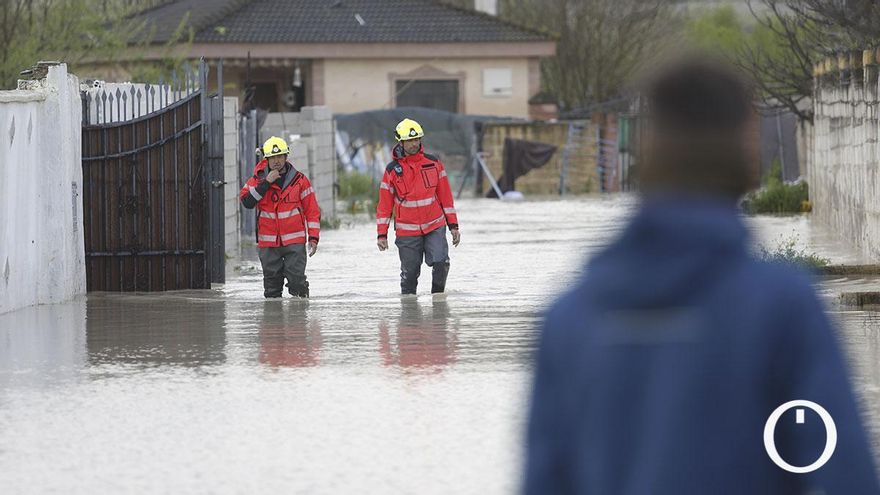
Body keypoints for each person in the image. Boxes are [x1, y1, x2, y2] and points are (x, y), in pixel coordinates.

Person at [525, 57, 880, 494]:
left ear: (649, 149)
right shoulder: (782, 305)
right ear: (746, 147)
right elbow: (842, 472)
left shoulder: (570, 318)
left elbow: (544, 480)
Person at [376, 118, 461, 295]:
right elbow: (384, 206)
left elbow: (446, 198)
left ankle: (438, 302)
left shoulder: (433, 163)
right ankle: (409, 314)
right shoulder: (392, 170)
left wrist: (453, 226)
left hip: (434, 225)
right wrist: (381, 234)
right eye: (410, 140)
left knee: (441, 261)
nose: (414, 144)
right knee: (410, 274)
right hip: (407, 232)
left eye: (417, 140)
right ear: (401, 141)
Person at [240, 136, 320, 298]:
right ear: (266, 159)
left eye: (279, 156)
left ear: (285, 157)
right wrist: (266, 183)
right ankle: (273, 322)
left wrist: (313, 238)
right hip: (268, 243)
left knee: (297, 283)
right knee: (272, 289)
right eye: (272, 157)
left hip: (294, 243)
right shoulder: (257, 180)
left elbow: (312, 211)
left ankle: (300, 318)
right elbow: (247, 202)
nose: (276, 161)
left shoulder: (300, 180)